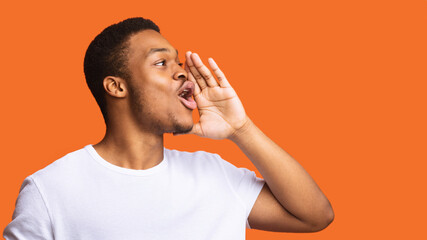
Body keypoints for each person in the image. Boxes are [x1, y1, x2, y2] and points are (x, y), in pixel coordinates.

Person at [3, 17, 334, 239]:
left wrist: (240, 128)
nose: (181, 72)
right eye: (161, 62)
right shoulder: (50, 190)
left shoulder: (215, 175)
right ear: (117, 87)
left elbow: (315, 216)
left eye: (178, 62)